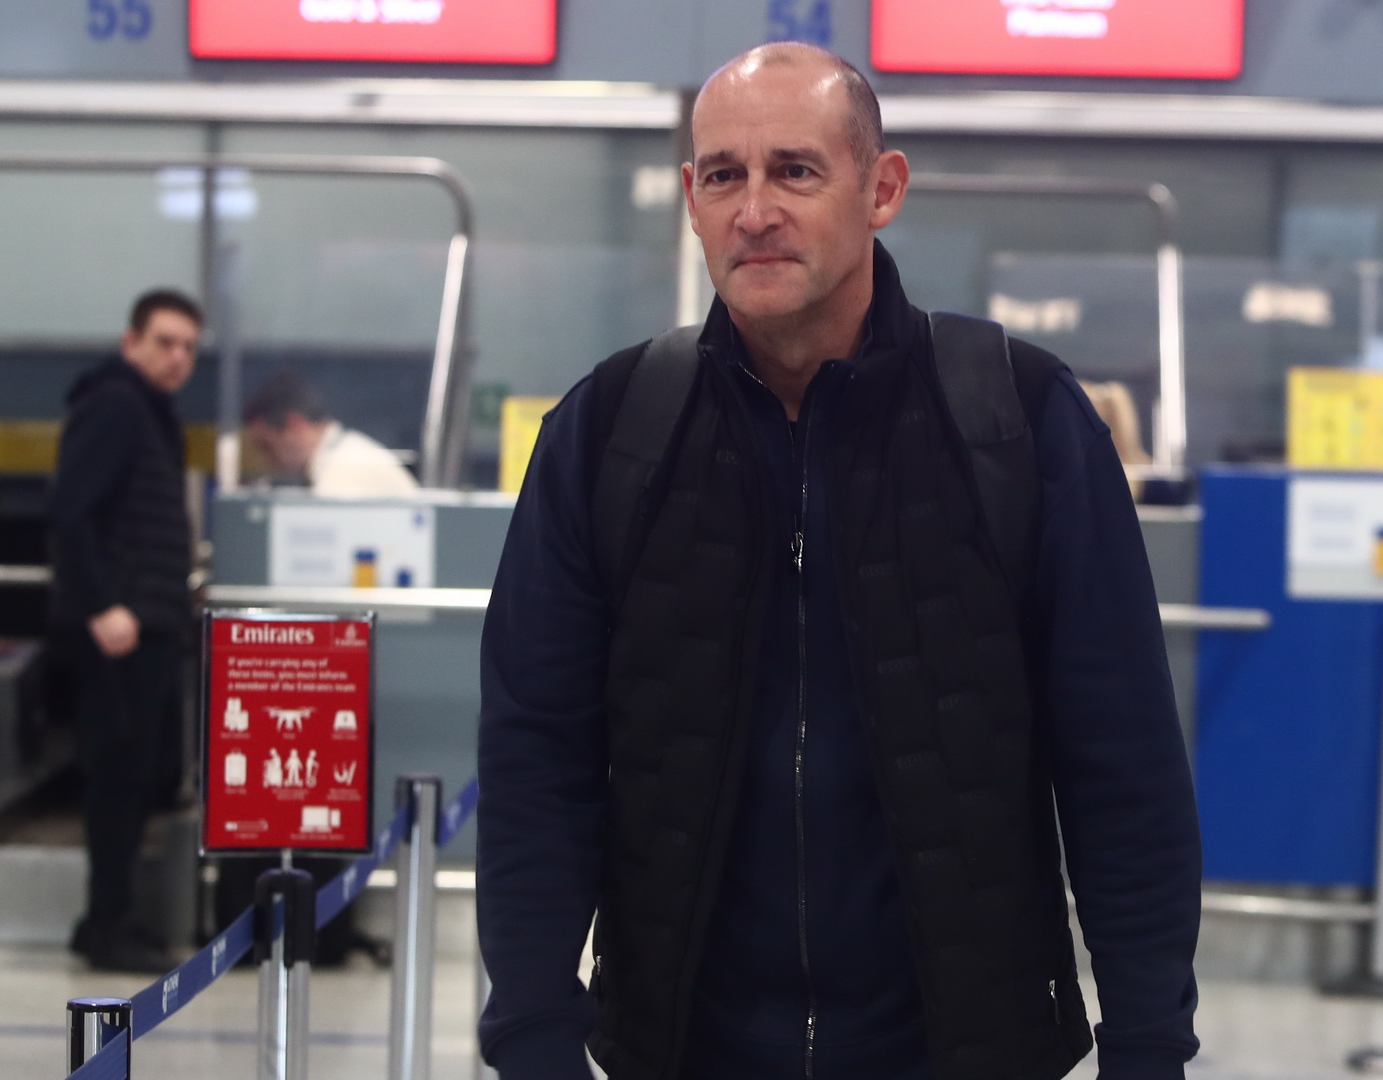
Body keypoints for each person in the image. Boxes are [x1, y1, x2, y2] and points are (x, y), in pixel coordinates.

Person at [478, 43, 1201, 1080]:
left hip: (962, 1050)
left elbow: (1122, 761)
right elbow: (537, 757)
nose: (754, 210)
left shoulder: (1019, 421)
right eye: (722, 175)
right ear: (691, 200)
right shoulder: (612, 434)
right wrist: (534, 1037)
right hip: (683, 1048)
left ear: (881, 189)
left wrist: (1149, 1045)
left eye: (795, 171)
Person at [50, 289, 200, 973]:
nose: (177, 357)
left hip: (149, 623)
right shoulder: (115, 405)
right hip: (121, 631)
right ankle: (108, 923)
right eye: (164, 342)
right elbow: (70, 512)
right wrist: (103, 605)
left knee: (140, 778)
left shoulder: (149, 411)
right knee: (118, 780)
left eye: (188, 347)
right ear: (130, 341)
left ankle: (108, 919)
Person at [242, 369, 419, 496]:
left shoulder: (343, 473)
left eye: (267, 447)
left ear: (294, 424)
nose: (268, 461)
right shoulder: (345, 457)